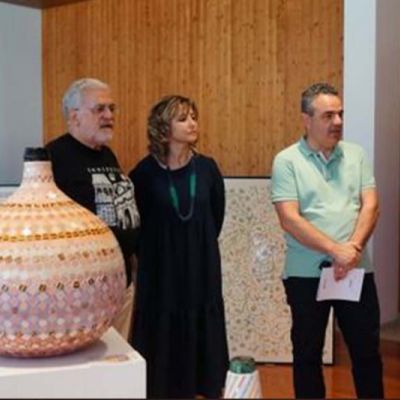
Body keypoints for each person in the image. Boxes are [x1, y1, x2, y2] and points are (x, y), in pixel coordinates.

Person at [271, 82, 384, 399]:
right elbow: (290, 218)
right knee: (307, 354)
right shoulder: (287, 161)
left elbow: (371, 206)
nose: (337, 122)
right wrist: (336, 250)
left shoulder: (356, 155)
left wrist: (352, 250)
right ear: (306, 120)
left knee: (366, 351)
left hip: (355, 270)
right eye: (328, 116)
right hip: (306, 274)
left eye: (340, 114)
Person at [129, 95, 229, 398]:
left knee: (202, 317)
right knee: (162, 324)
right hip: (161, 270)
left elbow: (216, 215)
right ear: (163, 127)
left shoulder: (207, 168)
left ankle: (203, 383)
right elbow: (137, 224)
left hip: (201, 265)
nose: (192, 124)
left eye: (194, 117)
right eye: (183, 119)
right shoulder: (143, 174)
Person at [46, 78, 140, 341]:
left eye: (112, 108)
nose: (109, 116)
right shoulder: (54, 156)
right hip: (81, 289)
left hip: (120, 281)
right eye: (99, 109)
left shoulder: (107, 155)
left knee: (117, 356)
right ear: (74, 116)